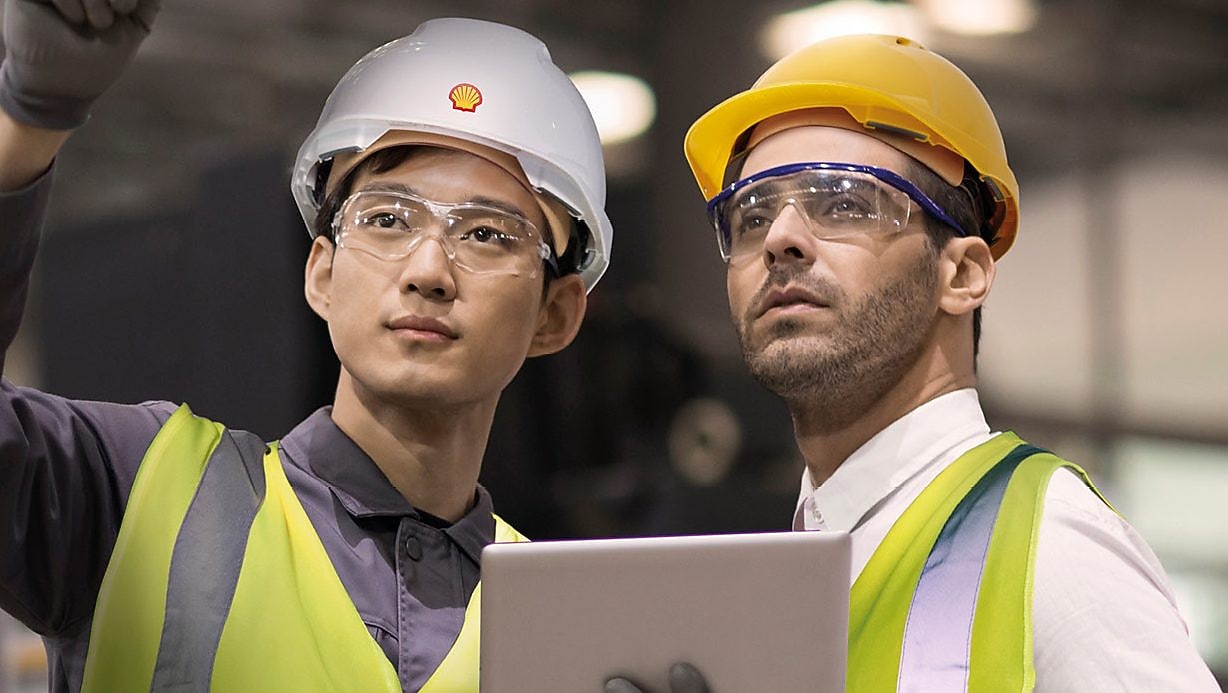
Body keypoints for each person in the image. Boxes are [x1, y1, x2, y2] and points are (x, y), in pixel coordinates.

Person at [0, 2, 613, 691]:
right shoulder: (133, 491)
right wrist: (26, 126)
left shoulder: (567, 614)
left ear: (554, 314)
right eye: (386, 219)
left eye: (487, 234)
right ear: (321, 272)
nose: (428, 271)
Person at [608, 33, 1220, 692]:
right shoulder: (779, 576)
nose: (780, 238)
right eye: (751, 215)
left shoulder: (1048, 544)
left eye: (843, 201)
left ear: (961, 273)